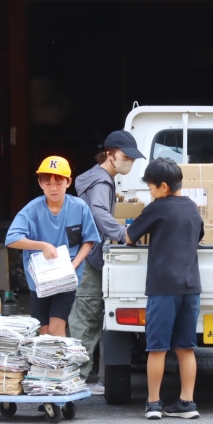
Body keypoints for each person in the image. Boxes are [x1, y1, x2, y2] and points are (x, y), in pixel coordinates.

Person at [126, 158, 204, 420]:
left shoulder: (156, 207)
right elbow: (198, 236)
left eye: (150, 187)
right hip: (191, 287)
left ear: (163, 186)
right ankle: (187, 403)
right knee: (186, 348)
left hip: (162, 288)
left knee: (157, 348)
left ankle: (153, 404)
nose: (150, 192)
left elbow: (129, 236)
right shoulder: (192, 207)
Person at [69, 131, 146, 396]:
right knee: (87, 317)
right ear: (110, 155)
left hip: (88, 254)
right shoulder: (102, 182)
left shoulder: (98, 178)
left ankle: (86, 375)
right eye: (126, 156)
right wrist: (123, 234)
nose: (129, 162)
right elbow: (99, 212)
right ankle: (77, 378)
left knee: (88, 316)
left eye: (132, 158)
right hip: (90, 258)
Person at [6, 156, 99, 336]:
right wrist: (41, 245)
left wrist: (73, 265)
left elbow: (89, 240)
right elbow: (11, 239)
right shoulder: (32, 209)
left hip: (67, 279)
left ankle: (60, 355)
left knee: (56, 328)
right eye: (48, 183)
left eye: (59, 182)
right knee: (43, 330)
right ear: (40, 183)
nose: (53, 188)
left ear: (68, 182)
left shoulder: (79, 207)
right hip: (40, 280)